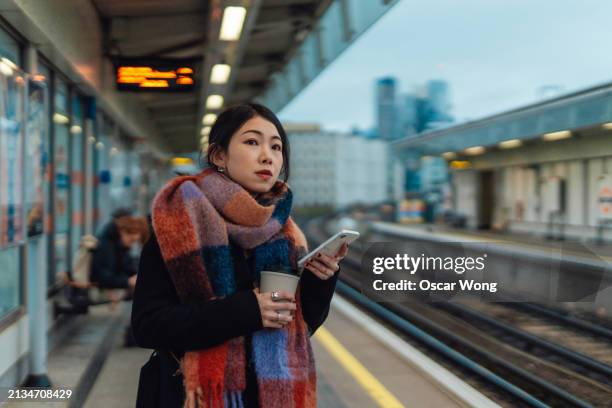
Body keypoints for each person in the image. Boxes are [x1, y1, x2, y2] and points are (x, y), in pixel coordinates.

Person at [131, 103, 349, 408]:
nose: (267, 156)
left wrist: (319, 281)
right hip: (191, 395)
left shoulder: (284, 232)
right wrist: (246, 310)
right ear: (219, 156)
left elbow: (301, 327)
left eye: (276, 147)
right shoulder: (179, 225)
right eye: (251, 142)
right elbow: (147, 326)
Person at [90, 214, 149, 294]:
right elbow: (102, 277)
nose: (132, 244)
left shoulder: (120, 246)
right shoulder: (105, 245)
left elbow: (127, 267)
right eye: (131, 240)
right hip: (98, 296)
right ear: (123, 231)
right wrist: (128, 281)